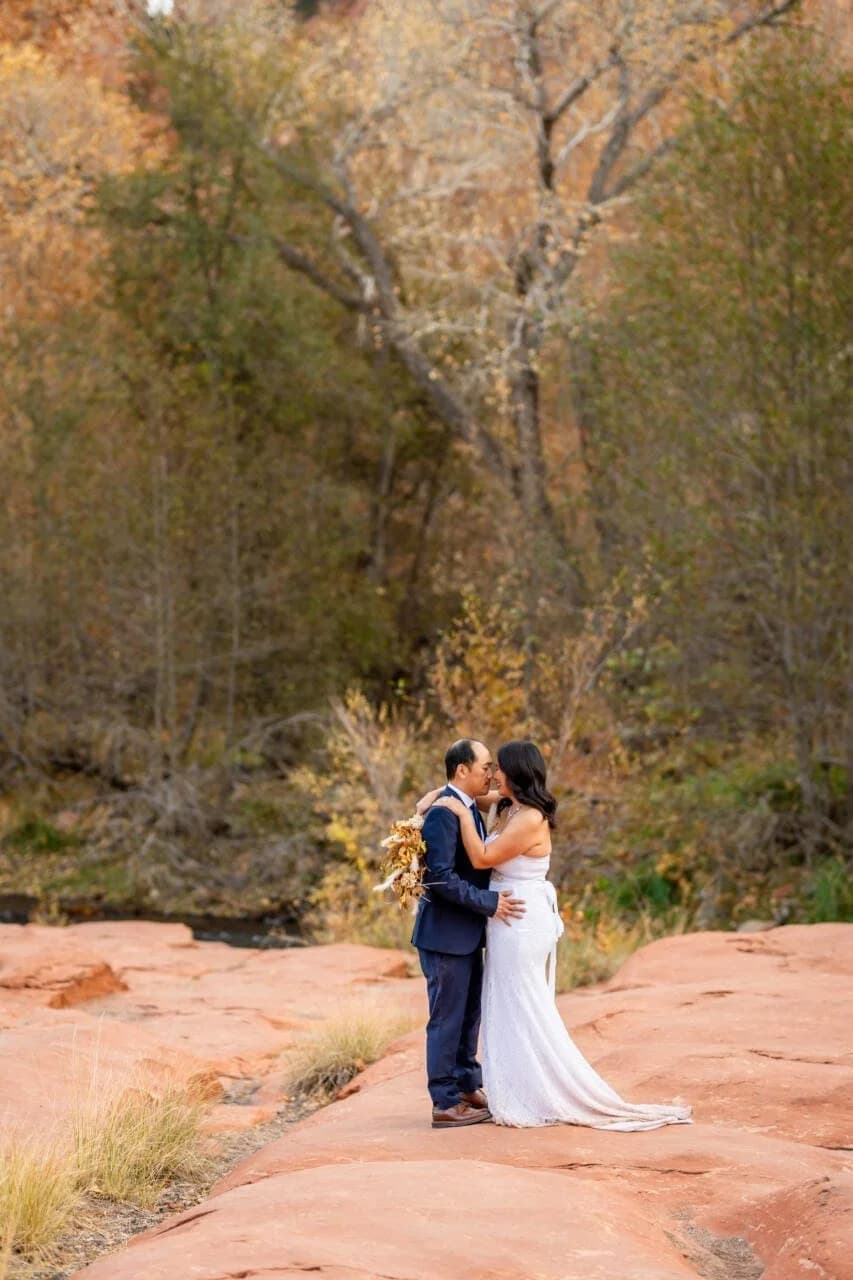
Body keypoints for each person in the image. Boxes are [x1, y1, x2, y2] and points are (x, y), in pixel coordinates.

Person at [429, 739, 693, 1130]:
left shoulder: (530, 818)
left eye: (498, 768)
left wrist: (461, 816)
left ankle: (542, 1089)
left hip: (520, 919)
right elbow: (461, 794)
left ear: (516, 774)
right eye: (489, 767)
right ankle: (511, 1085)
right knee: (505, 1004)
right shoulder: (507, 805)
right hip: (503, 919)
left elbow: (483, 856)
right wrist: (436, 801)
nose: (493, 775)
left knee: (524, 1002)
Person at [411, 738, 526, 1128]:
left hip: (465, 934)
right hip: (445, 936)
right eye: (484, 767)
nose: (490, 775)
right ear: (462, 770)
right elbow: (438, 878)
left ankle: (465, 1086)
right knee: (447, 1019)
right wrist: (489, 903)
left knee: (468, 1016)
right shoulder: (445, 813)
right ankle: (444, 1103)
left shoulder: (462, 804)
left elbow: (499, 793)